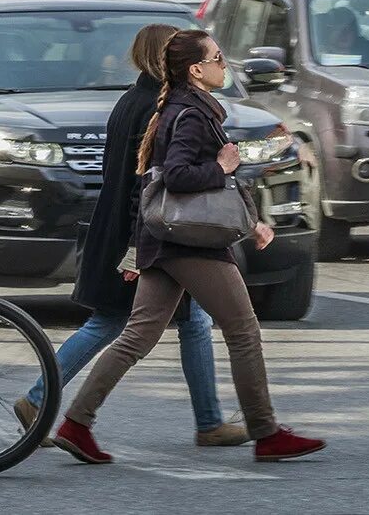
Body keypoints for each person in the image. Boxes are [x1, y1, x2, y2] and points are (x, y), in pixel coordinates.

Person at [51, 29, 327, 464]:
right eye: (218, 58)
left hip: (165, 240)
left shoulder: (180, 108)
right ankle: (266, 432)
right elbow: (176, 177)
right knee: (243, 331)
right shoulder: (191, 114)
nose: (225, 65)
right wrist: (220, 166)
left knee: (136, 336)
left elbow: (154, 180)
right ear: (196, 70)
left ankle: (76, 423)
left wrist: (250, 221)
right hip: (189, 242)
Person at [13, 25, 249, 449]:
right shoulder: (157, 107)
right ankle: (38, 399)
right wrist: (135, 249)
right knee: (115, 322)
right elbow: (148, 185)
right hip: (143, 233)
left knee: (188, 320)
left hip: (129, 229)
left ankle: (209, 420)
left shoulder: (131, 100)